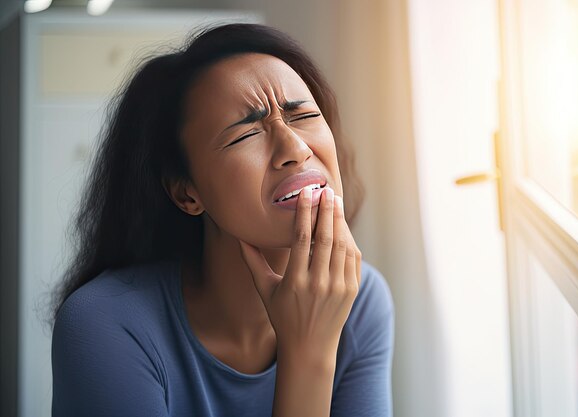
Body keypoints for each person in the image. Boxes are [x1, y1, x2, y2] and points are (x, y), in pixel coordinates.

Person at [51, 23, 394, 417]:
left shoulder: (361, 299)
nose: (296, 149)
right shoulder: (105, 324)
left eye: (302, 116)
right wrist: (308, 354)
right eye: (245, 134)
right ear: (187, 193)